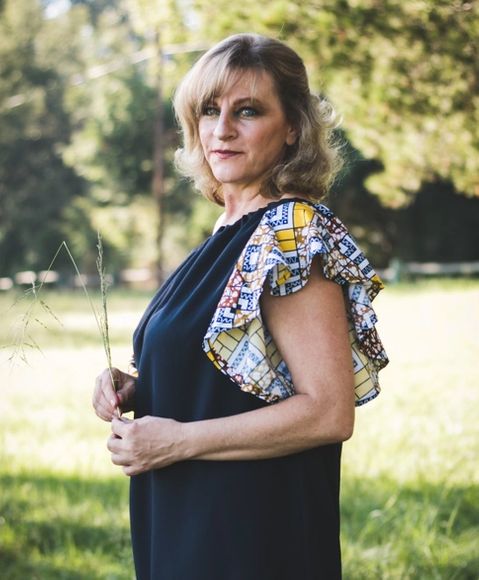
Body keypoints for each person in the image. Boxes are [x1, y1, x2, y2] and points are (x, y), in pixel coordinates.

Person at [92, 33, 388, 580]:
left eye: (247, 111)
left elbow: (328, 411)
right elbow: (237, 370)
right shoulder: (227, 232)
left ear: (293, 127)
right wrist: (141, 383)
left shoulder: (290, 235)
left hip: (249, 533)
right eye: (209, 110)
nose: (221, 129)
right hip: (188, 515)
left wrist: (177, 441)